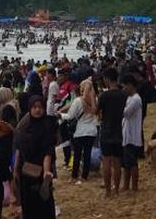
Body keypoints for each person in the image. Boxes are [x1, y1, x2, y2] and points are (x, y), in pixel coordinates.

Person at [12, 94, 57, 219]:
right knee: (29, 203)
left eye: (40, 107)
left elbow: (47, 152)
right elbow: (18, 148)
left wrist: (46, 171)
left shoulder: (46, 126)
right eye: (34, 107)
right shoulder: (25, 125)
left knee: (39, 204)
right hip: (25, 170)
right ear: (30, 108)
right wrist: (15, 168)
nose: (37, 110)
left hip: (39, 173)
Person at [60, 78, 99, 183]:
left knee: (77, 154)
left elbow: (70, 116)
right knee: (87, 154)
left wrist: (60, 114)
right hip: (92, 130)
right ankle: (84, 176)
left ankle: (74, 176)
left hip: (81, 131)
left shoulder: (78, 101)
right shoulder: (95, 101)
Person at [97, 68, 125, 197]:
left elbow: (97, 112)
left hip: (107, 130)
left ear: (107, 79)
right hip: (119, 129)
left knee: (106, 161)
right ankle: (117, 190)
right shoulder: (123, 94)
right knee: (117, 161)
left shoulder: (104, 96)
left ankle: (108, 191)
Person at [120, 74, 145, 192]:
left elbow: (126, 113)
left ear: (130, 85)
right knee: (126, 163)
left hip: (132, 134)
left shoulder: (136, 99)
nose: (124, 89)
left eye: (125, 86)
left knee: (132, 162)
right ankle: (126, 185)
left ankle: (134, 186)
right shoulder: (130, 98)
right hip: (127, 133)